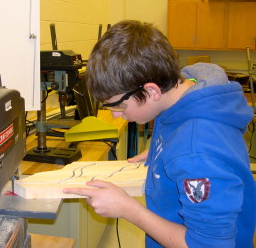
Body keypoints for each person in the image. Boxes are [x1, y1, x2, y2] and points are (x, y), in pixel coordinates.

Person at [63, 20, 256, 247]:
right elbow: (181, 132)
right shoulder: (186, 90)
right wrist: (161, 148)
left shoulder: (196, 152)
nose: (115, 116)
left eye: (119, 106)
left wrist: (128, 209)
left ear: (152, 90)